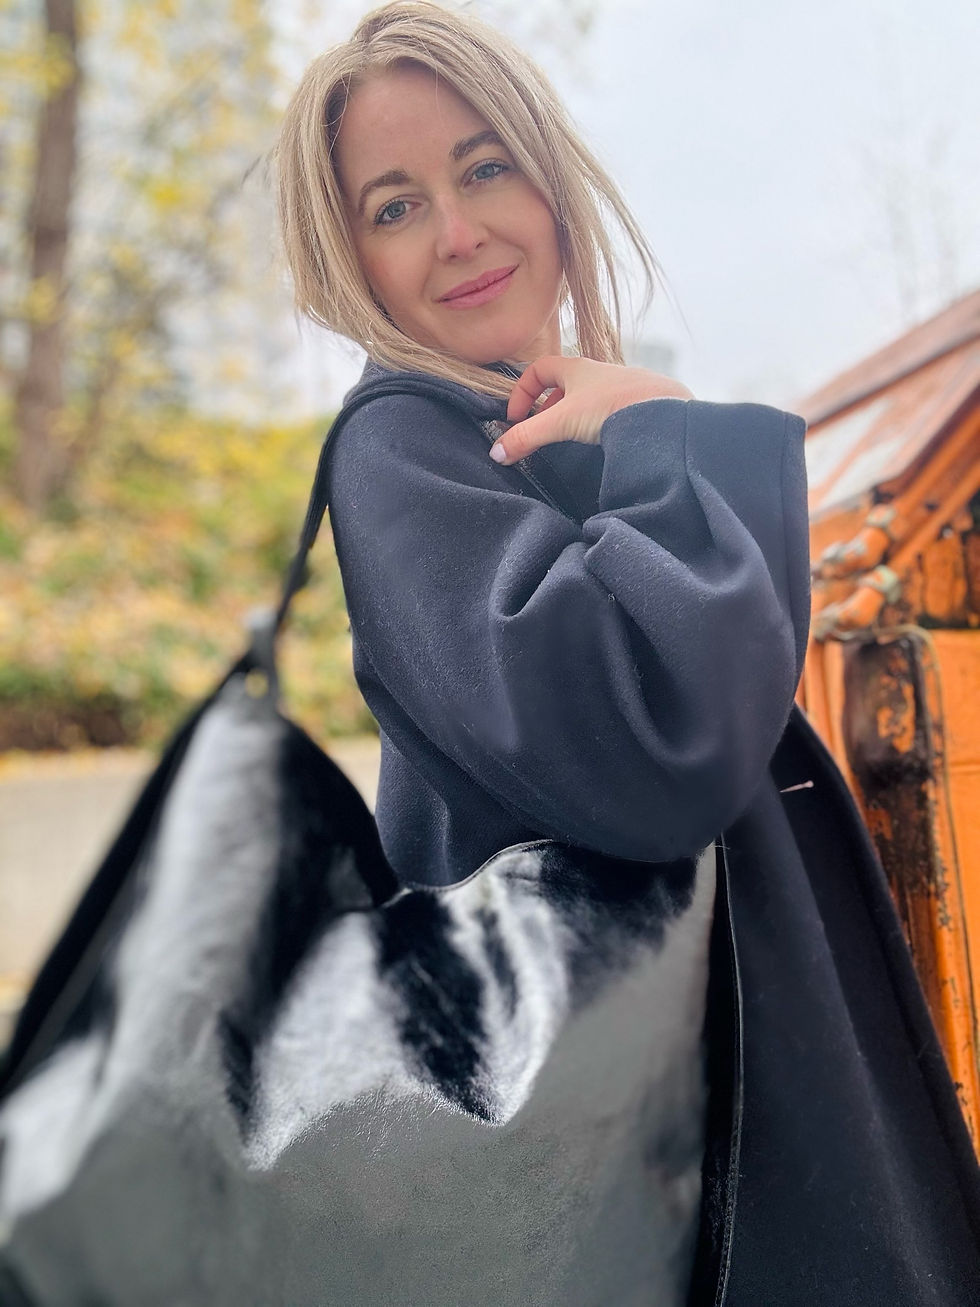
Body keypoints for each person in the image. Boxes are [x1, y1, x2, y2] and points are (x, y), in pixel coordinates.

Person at [273, 3, 980, 1302]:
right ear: (350, 259)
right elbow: (663, 741)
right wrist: (668, 435)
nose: (458, 231)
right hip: (657, 1177)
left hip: (705, 1120)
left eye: (485, 167)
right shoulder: (403, 449)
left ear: (550, 177)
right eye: (395, 205)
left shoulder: (536, 427)